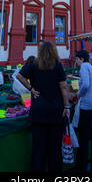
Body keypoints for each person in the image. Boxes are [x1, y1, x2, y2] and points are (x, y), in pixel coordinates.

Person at [17, 41, 70, 172]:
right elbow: (63, 87)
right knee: (55, 150)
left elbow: (19, 75)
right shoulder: (58, 65)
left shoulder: (34, 64)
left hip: (38, 112)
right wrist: (67, 107)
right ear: (54, 51)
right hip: (55, 112)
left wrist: (31, 88)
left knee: (38, 150)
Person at [73, 49, 92, 173]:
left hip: (89, 107)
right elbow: (89, 82)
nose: (76, 61)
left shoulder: (84, 66)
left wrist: (77, 96)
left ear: (81, 59)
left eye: (77, 59)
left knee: (84, 139)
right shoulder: (90, 66)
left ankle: (81, 169)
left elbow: (85, 85)